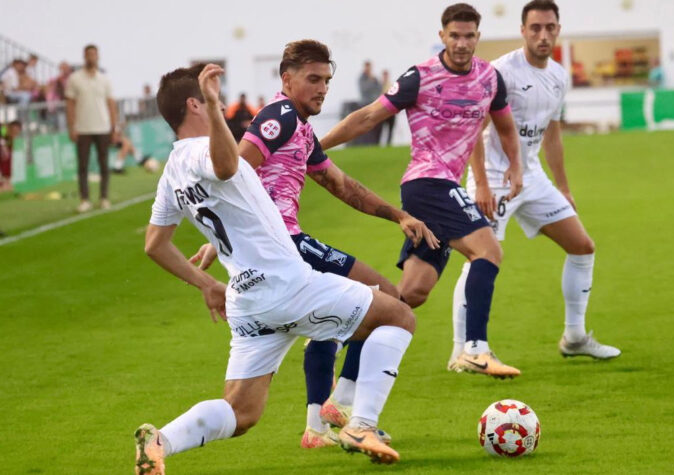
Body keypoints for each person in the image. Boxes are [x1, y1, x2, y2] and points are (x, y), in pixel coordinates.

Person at [134, 63, 416, 474]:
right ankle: (361, 425)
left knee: (241, 411)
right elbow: (227, 166)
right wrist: (215, 108)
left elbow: (154, 244)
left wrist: (207, 285)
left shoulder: (171, 173)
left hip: (247, 299)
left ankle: (161, 442)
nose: (221, 97)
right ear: (195, 103)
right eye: (210, 94)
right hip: (286, 285)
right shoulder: (201, 150)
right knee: (398, 314)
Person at [189, 40, 437, 449]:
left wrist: (398, 215)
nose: (322, 88)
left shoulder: (300, 127)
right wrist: (224, 235)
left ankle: (317, 426)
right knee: (389, 297)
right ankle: (346, 407)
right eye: (313, 79)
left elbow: (340, 185)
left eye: (327, 80)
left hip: (280, 244)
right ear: (287, 80)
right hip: (283, 243)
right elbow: (233, 170)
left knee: (330, 319)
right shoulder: (280, 115)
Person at [321, 3, 524, 379]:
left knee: (410, 294)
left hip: (441, 187)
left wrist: (515, 165)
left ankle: (338, 339)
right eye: (455, 35)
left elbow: (505, 127)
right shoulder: (421, 77)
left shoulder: (490, 79)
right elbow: (367, 116)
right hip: (427, 184)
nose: (462, 43)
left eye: (469, 36)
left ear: (478, 37)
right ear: (442, 36)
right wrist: (318, 147)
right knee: (489, 251)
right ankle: (475, 349)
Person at [451, 0, 620, 364]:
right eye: (536, 28)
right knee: (480, 259)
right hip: (494, 179)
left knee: (582, 246)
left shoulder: (559, 75)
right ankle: (461, 350)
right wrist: (479, 183)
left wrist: (563, 187)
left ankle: (574, 337)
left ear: (558, 29)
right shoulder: (500, 73)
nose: (543, 35)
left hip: (532, 178)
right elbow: (473, 132)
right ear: (523, 30)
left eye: (550, 28)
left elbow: (552, 134)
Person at [65, 44, 118, 212]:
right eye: (88, 54)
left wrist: (113, 127)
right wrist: (72, 126)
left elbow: (111, 104)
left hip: (103, 126)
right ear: (84, 56)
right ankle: (85, 199)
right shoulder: (75, 78)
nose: (91, 57)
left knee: (103, 164)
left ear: (98, 56)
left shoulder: (104, 79)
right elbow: (70, 105)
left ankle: (103, 197)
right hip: (83, 128)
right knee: (83, 165)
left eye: (94, 54)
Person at [380, 70, 396, 146]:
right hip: (381, 110)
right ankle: (379, 144)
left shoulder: (391, 85)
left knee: (390, 129)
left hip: (390, 110)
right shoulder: (379, 85)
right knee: (381, 129)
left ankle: (388, 144)